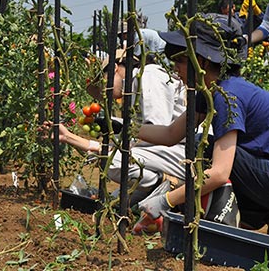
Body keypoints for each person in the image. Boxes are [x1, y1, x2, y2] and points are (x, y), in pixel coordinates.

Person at [136, 14, 269, 235]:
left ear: (201, 60)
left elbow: (221, 173)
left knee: (208, 150)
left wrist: (165, 201)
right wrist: (125, 129)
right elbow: (171, 133)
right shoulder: (209, 92)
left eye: (181, 61)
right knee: (200, 146)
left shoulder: (227, 95)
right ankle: (261, 215)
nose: (175, 69)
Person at [45, 48, 187, 207]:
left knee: (112, 161)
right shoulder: (136, 87)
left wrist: (113, 137)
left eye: (103, 82)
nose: (105, 92)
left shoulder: (148, 75)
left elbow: (157, 133)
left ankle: (173, 182)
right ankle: (161, 183)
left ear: (114, 68)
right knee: (114, 202)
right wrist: (69, 137)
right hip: (167, 154)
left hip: (182, 152)